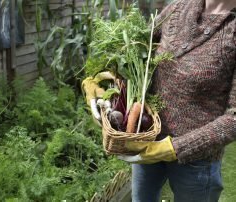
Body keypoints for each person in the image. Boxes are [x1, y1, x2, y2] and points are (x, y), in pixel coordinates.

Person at [82, 0, 236, 201]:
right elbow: (136, 47)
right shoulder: (179, 7)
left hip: (196, 160)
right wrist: (100, 78)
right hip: (146, 140)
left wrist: (175, 148)